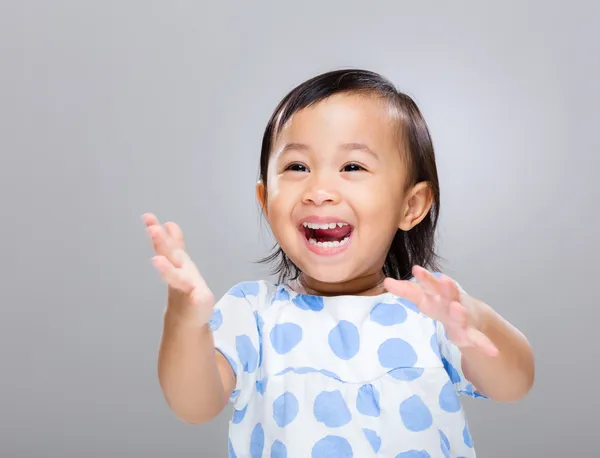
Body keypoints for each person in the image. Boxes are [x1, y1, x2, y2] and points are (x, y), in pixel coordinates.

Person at [143, 69, 534, 458]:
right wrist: (184, 321)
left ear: (410, 205)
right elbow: (194, 405)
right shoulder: (253, 314)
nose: (319, 192)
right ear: (265, 200)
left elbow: (514, 384)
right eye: (297, 167)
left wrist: (476, 324)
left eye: (352, 167)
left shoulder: (430, 309)